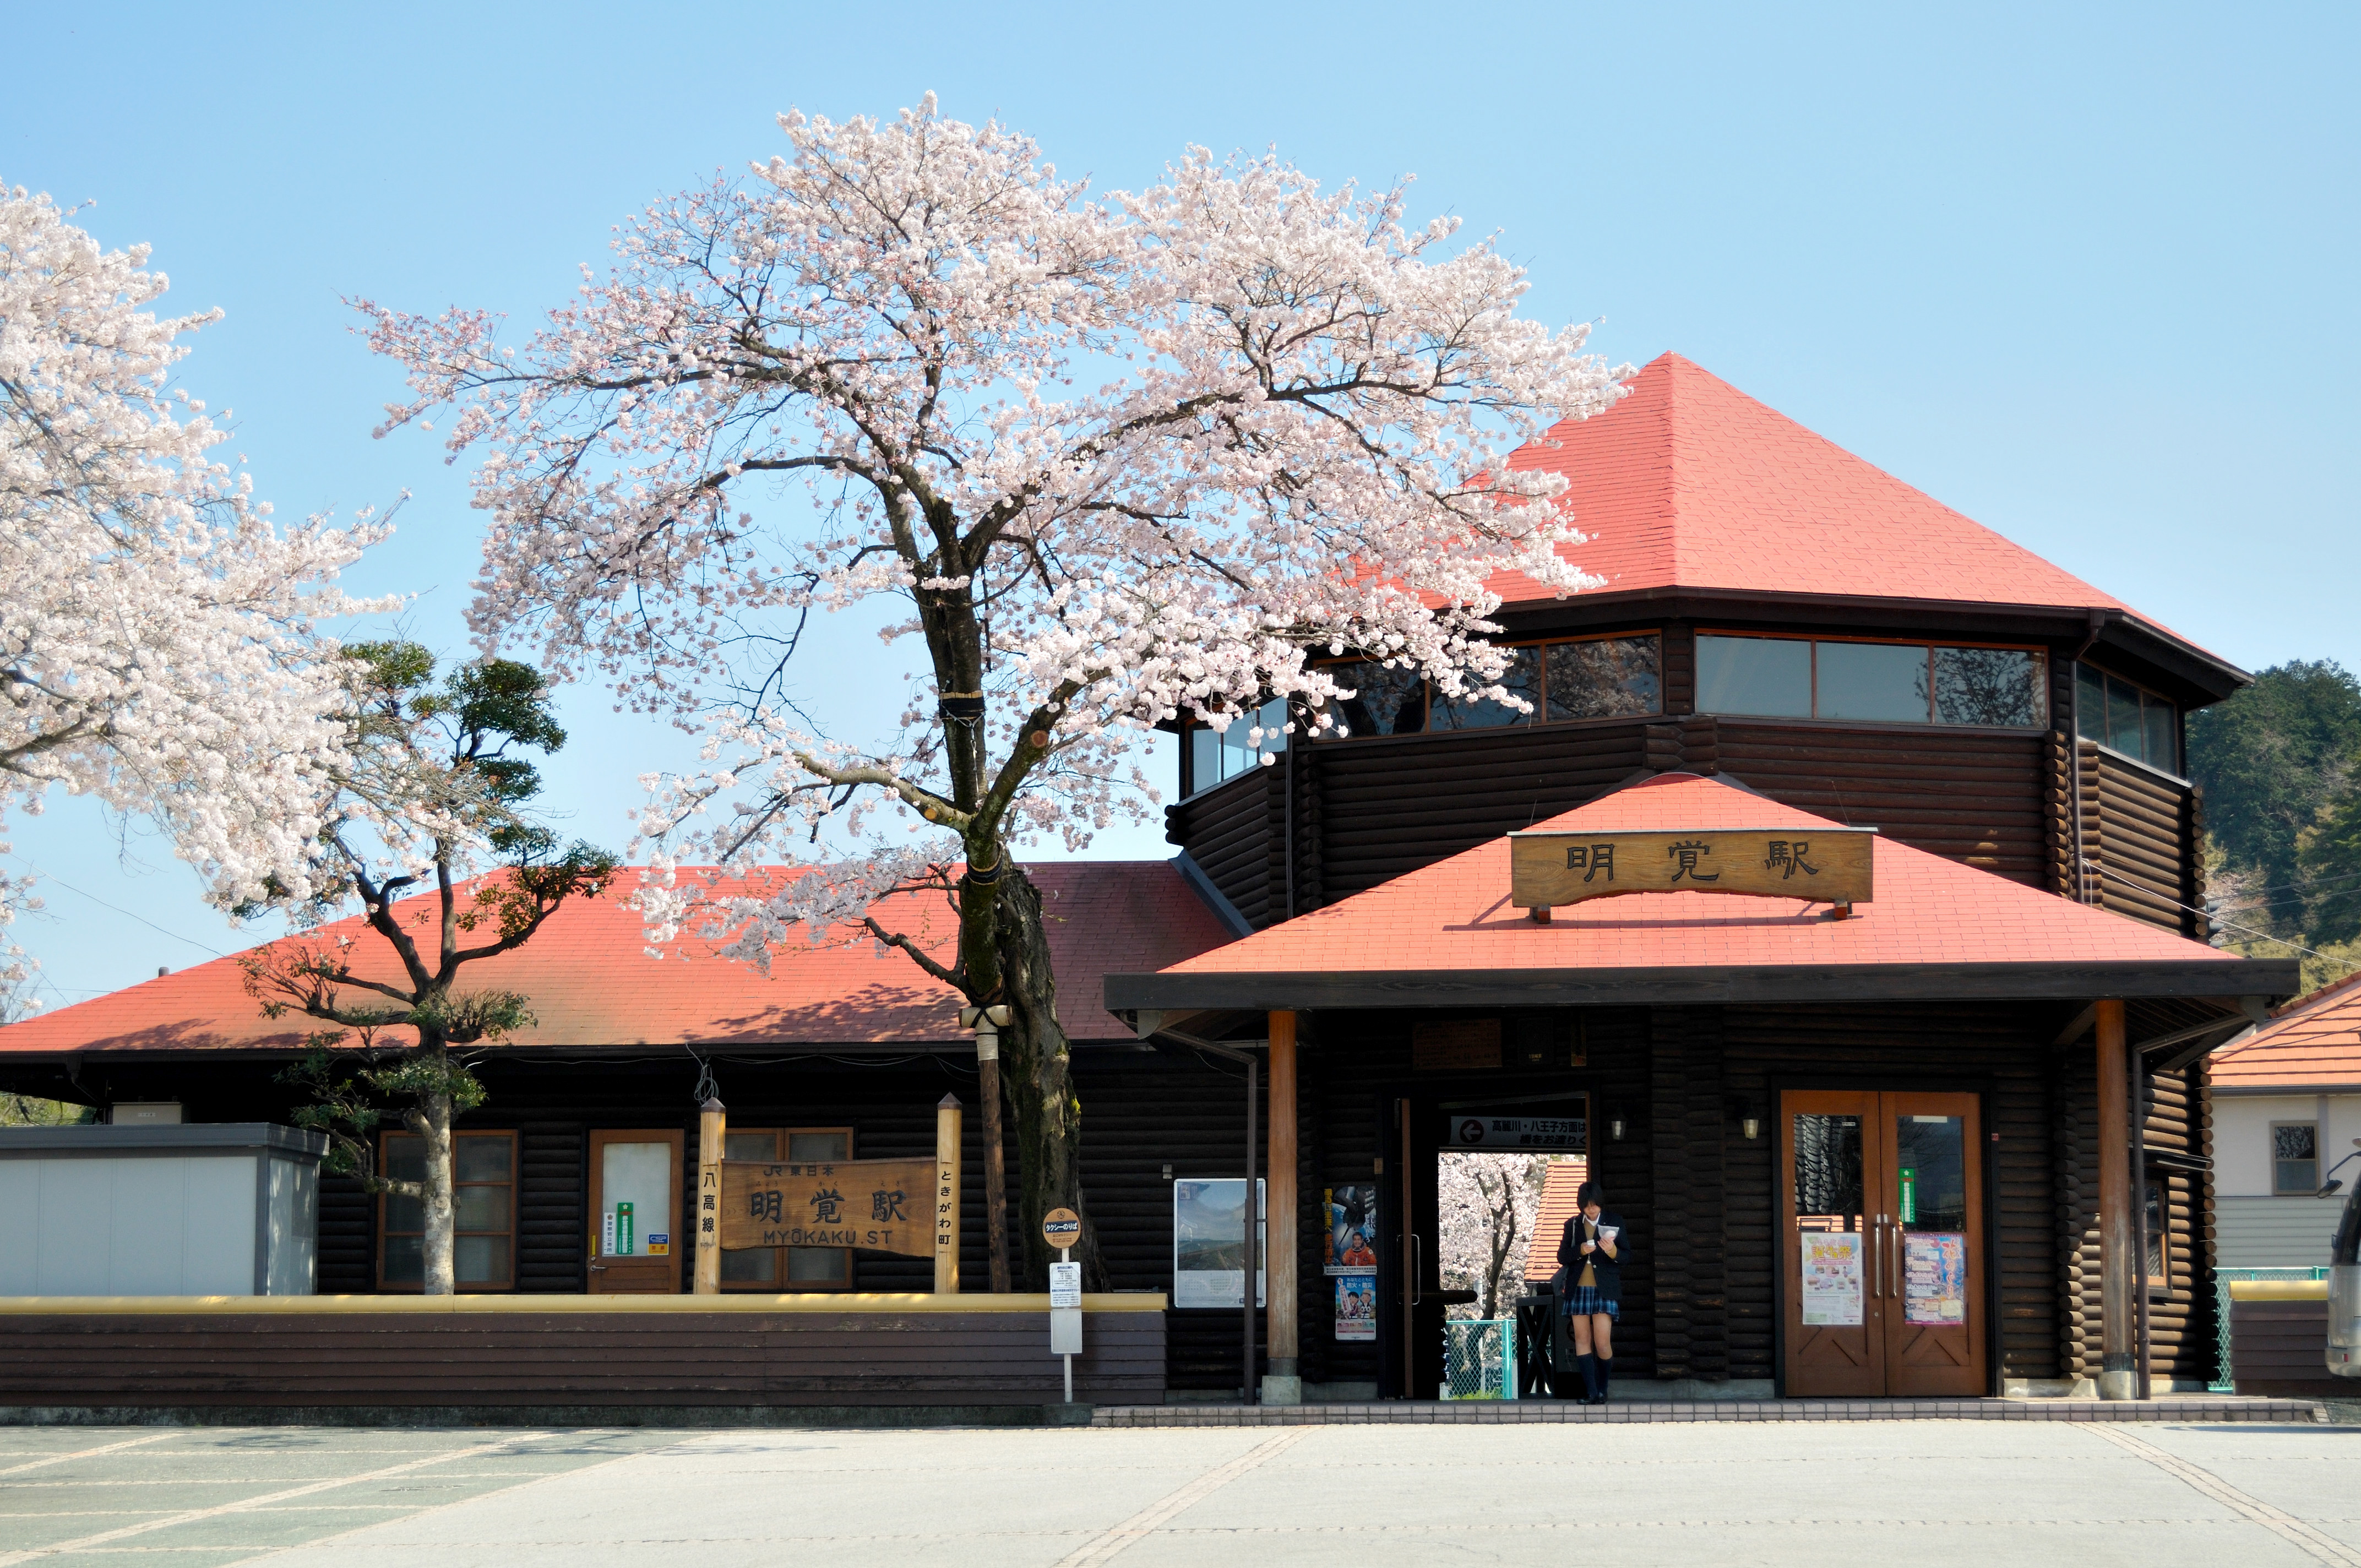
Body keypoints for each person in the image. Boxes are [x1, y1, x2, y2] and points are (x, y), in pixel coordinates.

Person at [1555, 1180, 1625, 1403]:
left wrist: (1612, 1250)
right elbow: (1562, 1256)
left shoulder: (1614, 1221)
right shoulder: (1573, 1225)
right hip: (1578, 1289)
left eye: (1594, 1204)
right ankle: (1592, 1392)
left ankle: (1602, 1390)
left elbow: (1626, 1257)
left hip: (1604, 1289)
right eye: (1586, 1205)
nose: (1591, 1209)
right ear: (1581, 1206)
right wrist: (1580, 1250)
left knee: (1603, 1342)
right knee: (1582, 1340)